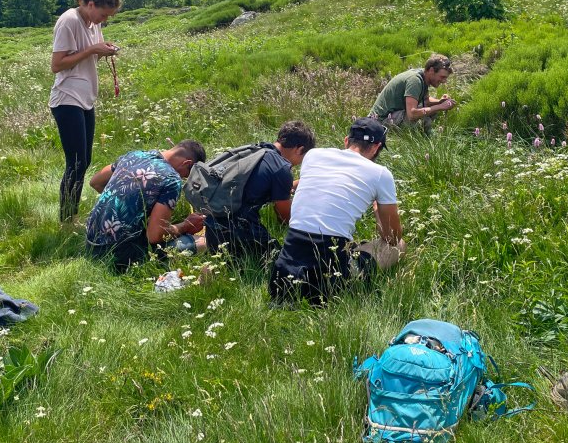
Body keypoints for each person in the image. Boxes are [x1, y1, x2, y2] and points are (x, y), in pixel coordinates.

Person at [269, 118, 405, 305]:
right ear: (376, 148)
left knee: (347, 245)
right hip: (327, 284)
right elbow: (392, 237)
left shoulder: (313, 155)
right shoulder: (381, 174)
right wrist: (377, 211)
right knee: (399, 245)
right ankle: (350, 280)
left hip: (282, 276)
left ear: (346, 140)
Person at [49, 0, 122, 222]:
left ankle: (70, 215)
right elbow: (57, 65)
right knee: (77, 162)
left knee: (84, 160)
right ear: (90, 4)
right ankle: (67, 219)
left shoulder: (93, 23)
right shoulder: (69, 21)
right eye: (103, 14)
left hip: (85, 98)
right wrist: (92, 49)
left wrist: (103, 50)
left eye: (108, 16)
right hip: (67, 98)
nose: (105, 20)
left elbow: (88, 56)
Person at [200, 120, 317, 259]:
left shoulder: (256, 151)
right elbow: (284, 216)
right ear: (299, 149)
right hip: (239, 234)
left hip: (212, 228)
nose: (300, 163)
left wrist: (305, 181)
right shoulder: (281, 168)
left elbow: (271, 183)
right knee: (281, 260)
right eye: (303, 157)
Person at [86, 140, 207, 272]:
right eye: (186, 175)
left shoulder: (135, 155)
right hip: (118, 256)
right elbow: (154, 236)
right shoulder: (172, 179)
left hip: (91, 245)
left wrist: (122, 200)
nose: (183, 178)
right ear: (187, 163)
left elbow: (95, 182)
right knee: (204, 242)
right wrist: (185, 226)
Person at [369, 54, 456, 131]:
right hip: (379, 121)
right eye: (442, 77)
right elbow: (412, 114)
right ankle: (417, 140)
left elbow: (425, 100)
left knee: (432, 111)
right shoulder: (415, 81)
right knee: (424, 121)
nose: (444, 81)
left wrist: (439, 102)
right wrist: (440, 107)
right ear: (431, 70)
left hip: (394, 114)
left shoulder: (424, 76)